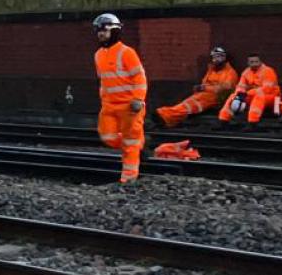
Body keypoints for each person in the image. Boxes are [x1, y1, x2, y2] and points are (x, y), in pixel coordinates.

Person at [92, 12, 146, 183]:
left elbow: (140, 78)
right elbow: (104, 81)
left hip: (129, 107)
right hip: (109, 106)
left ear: (114, 31)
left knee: (130, 143)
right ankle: (138, 146)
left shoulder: (127, 52)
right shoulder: (98, 55)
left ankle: (128, 180)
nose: (100, 33)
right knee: (107, 137)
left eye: (104, 30)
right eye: (98, 30)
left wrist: (138, 99)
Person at [157, 46, 237, 127]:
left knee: (188, 107)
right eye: (214, 57)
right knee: (185, 105)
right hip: (202, 95)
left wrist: (204, 88)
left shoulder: (230, 73)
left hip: (214, 98)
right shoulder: (211, 70)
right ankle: (164, 115)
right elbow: (205, 82)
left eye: (219, 57)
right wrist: (199, 88)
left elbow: (225, 89)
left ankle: (164, 115)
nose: (216, 59)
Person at [219, 54, 281, 125]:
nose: (254, 64)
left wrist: (248, 93)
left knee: (259, 97)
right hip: (252, 95)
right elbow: (241, 86)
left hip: (272, 96)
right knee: (233, 96)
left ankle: (253, 122)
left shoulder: (268, 71)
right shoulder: (246, 72)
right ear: (248, 63)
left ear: (260, 62)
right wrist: (239, 94)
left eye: (256, 61)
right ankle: (223, 120)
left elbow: (267, 89)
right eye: (252, 62)